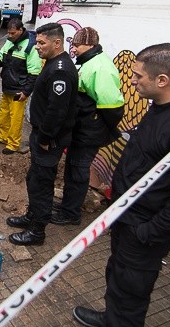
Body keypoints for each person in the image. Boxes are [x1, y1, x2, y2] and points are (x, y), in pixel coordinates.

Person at [68, 43, 170, 327]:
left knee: (131, 288)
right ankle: (113, 319)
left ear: (162, 79)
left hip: (144, 229)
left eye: (138, 76)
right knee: (118, 275)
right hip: (127, 217)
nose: (132, 81)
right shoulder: (160, 110)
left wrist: (146, 233)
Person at [6, 22, 78, 246]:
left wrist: (45, 139)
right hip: (41, 136)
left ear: (57, 43)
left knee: (42, 184)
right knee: (34, 178)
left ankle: (37, 232)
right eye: (36, 42)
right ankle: (32, 216)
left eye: (41, 43)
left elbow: (56, 111)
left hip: (49, 139)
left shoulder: (61, 71)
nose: (36, 47)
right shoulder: (52, 63)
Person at [51, 27, 125, 225]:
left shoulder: (100, 67)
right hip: (83, 129)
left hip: (89, 132)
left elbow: (112, 106)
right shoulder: (89, 62)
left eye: (77, 45)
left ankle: (71, 214)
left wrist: (97, 127)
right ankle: (67, 205)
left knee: (78, 171)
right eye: (73, 44)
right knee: (72, 169)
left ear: (91, 45)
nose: (73, 49)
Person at [0, 18, 41, 154]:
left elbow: (34, 73)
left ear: (20, 30)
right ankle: (4, 137)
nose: (10, 36)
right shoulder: (10, 41)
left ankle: (13, 144)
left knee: (16, 118)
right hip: (7, 86)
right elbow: (0, 56)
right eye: (9, 33)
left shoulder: (30, 46)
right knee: (4, 114)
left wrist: (26, 92)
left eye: (13, 33)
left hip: (19, 90)